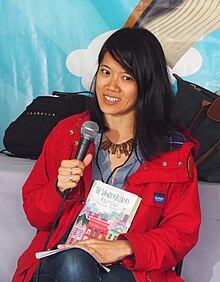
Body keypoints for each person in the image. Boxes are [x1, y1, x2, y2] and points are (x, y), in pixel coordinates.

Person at [13, 27, 201, 282]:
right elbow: (36, 214)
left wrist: (126, 247)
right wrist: (58, 189)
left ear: (147, 85)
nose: (111, 86)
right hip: (61, 260)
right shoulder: (69, 134)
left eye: (127, 78)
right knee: (74, 261)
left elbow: (181, 232)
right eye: (106, 71)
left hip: (129, 269)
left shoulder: (175, 153)